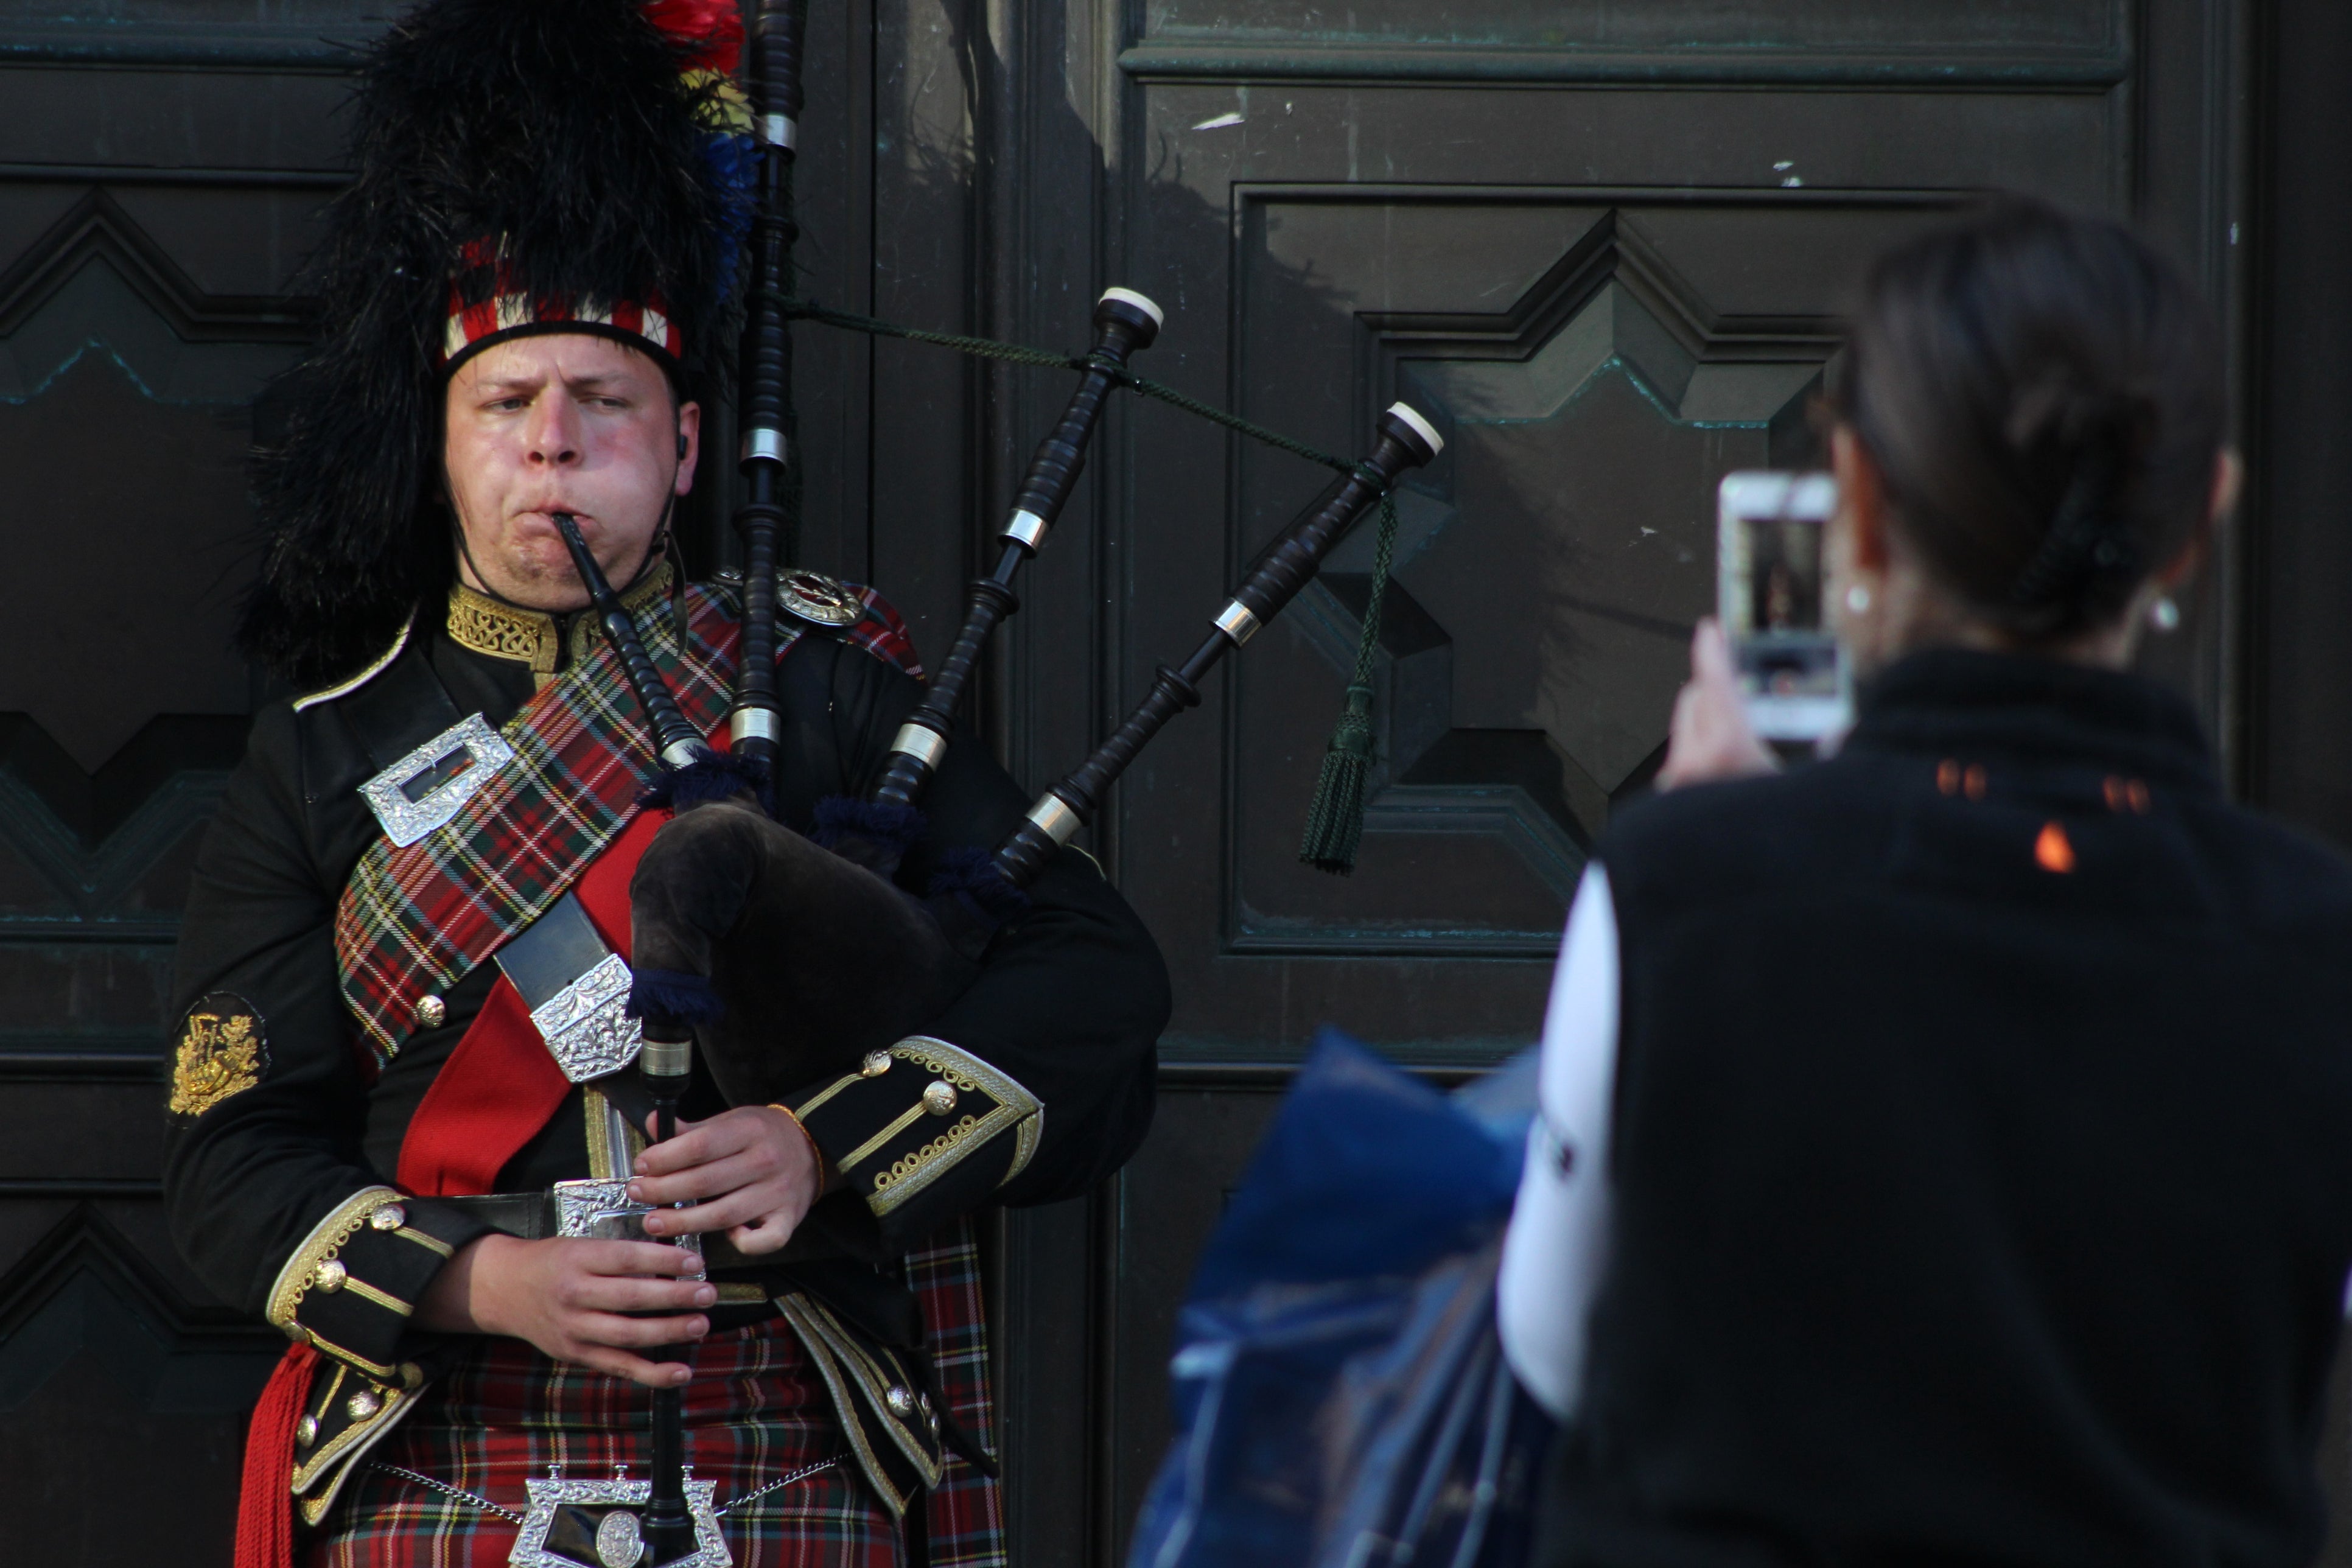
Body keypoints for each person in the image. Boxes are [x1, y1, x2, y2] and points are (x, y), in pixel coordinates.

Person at [159, 2, 1167, 1564]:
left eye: (603, 405)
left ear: (687, 445)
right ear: (442, 446)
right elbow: (228, 1158)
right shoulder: (322, 751)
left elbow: (1097, 981)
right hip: (444, 1432)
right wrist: (481, 1279)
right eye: (505, 405)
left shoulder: (831, 692)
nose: (551, 447)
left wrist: (825, 1145)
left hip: (783, 1420)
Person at [1494, 195, 2352, 1567]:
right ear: (2199, 522)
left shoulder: (1687, 887)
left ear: (1865, 509)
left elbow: (1548, 1342)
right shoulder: (2316, 941)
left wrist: (1720, 846)